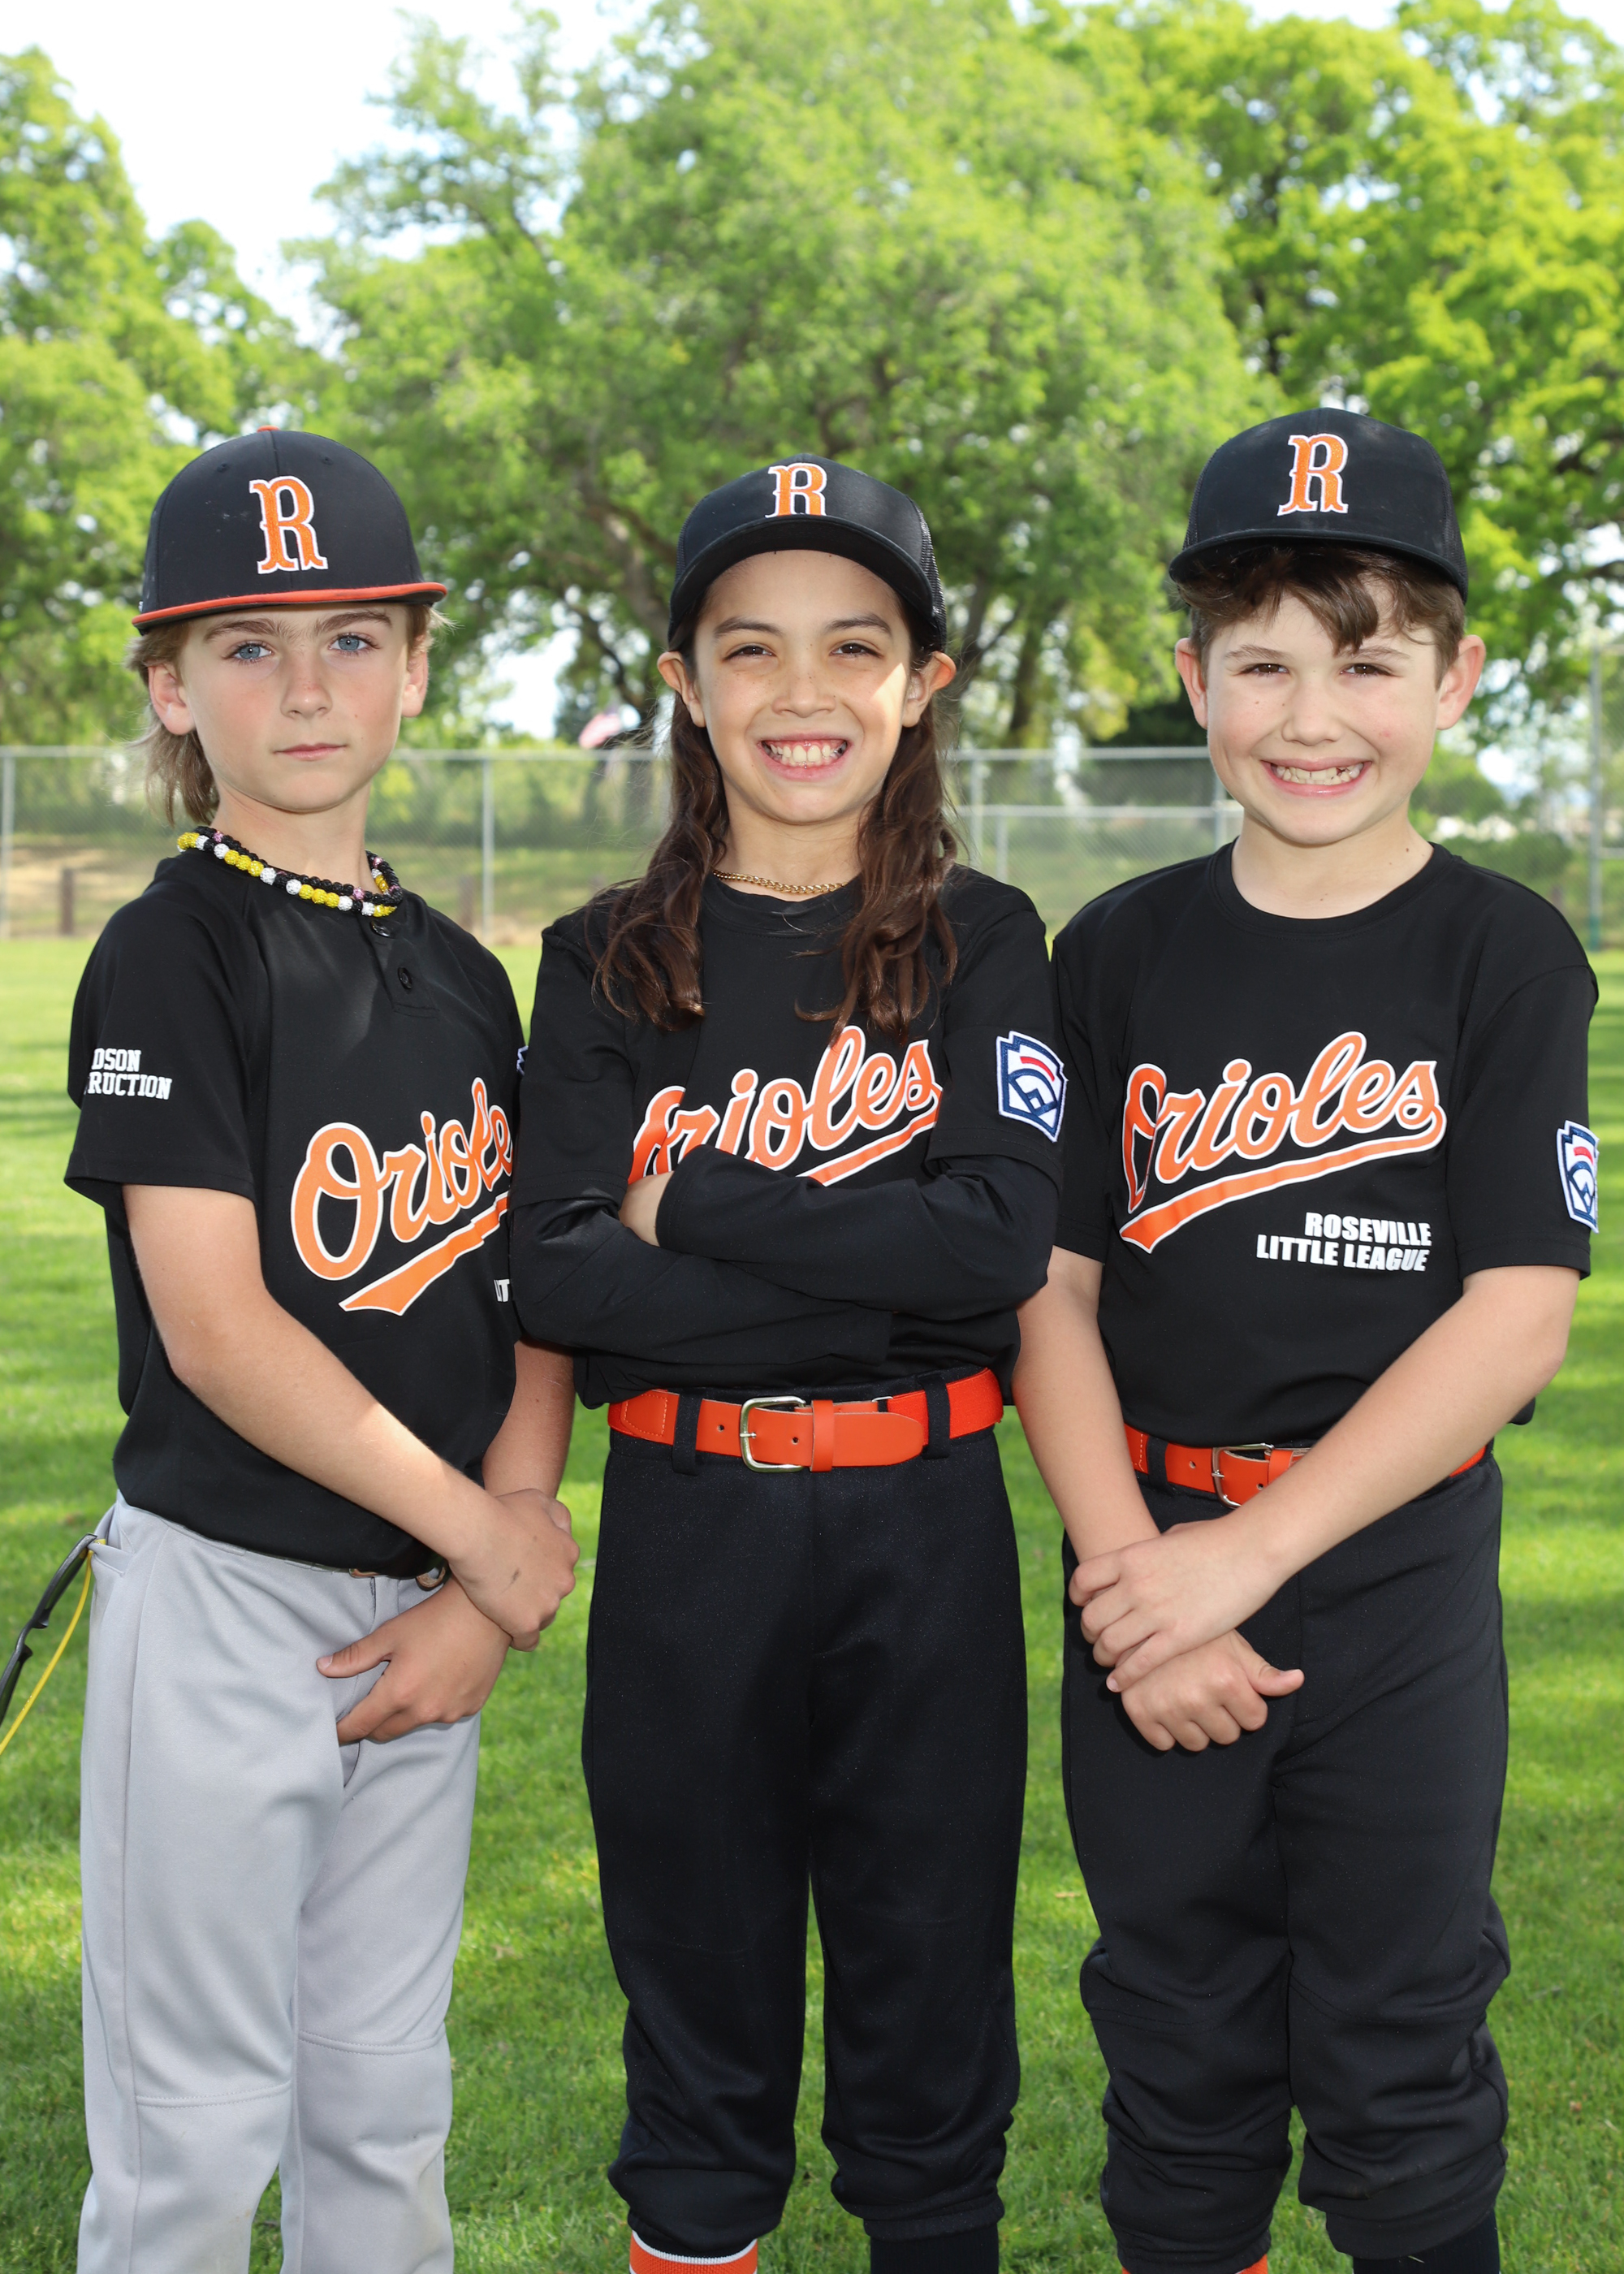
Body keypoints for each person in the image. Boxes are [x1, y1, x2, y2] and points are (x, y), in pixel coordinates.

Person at [1015, 408, 1596, 2274]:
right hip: (1145, 1554)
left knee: (1400, 2050)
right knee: (1175, 2038)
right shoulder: (1114, 951)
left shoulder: (1504, 950)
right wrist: (1137, 1580)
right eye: (1259, 662)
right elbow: (1050, 1288)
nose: (1311, 714)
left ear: (1455, 678)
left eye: (1366, 661)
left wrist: (1242, 1561)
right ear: (1193, 680)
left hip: (1389, 1571)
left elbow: (1516, 1311)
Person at [509, 458, 1065, 2274]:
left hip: (926, 1528)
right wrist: (877, 1288)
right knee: (695, 2021)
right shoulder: (603, 957)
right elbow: (558, 1270)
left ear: (923, 683)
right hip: (693, 1528)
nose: (801, 690)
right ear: (685, 681)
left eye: (854, 645)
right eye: (751, 647)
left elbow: (994, 1251)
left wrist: (697, 1206)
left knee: (932, 2031)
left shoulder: (987, 939)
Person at [64, 427, 580, 2274]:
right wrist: (484, 1534)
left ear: (418, 667)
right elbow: (217, 1332)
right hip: (224, 1598)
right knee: (193, 2131)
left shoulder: (466, 972)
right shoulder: (172, 951)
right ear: (170, 686)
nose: (305, 687)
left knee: (380, 2102)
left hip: (420, 1613)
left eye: (353, 639)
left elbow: (528, 1291)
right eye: (248, 645)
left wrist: (490, 1566)